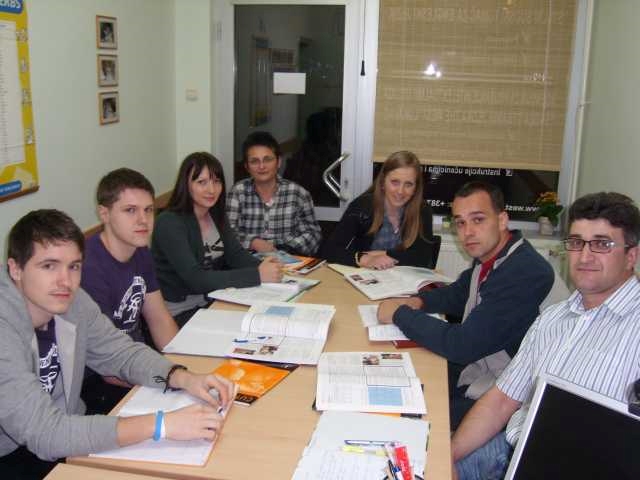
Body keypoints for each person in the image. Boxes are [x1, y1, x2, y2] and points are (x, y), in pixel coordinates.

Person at [0, 210, 234, 479]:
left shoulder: (73, 301)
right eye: (48, 266)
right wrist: (161, 425)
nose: (65, 281)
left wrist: (181, 377)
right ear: (15, 269)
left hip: (65, 438)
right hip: (12, 455)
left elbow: (121, 353)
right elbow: (46, 433)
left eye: (74, 266)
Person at [452, 191, 640, 480]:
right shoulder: (552, 319)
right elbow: (502, 400)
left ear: (631, 255)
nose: (585, 256)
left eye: (602, 244)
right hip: (509, 450)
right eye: (576, 242)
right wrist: (448, 456)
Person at [377, 181, 554, 428]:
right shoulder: (494, 255)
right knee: (396, 378)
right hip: (481, 366)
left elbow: (463, 345)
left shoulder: (523, 271)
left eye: (478, 220)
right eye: (460, 223)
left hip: (504, 393)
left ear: (502, 220)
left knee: (401, 413)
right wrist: (417, 301)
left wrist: (401, 314)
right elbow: (459, 293)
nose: (467, 232)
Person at [81, 168, 179, 414]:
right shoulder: (87, 266)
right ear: (104, 214)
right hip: (100, 382)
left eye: (148, 210)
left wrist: (182, 367)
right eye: (130, 210)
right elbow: (108, 363)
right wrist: (172, 381)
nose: (143, 220)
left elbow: (159, 318)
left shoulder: (140, 250)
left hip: (140, 366)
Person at [152, 152, 283, 327]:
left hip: (212, 300)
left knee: (268, 321)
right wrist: (257, 275)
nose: (211, 190)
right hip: (178, 313)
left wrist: (265, 267)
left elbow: (235, 255)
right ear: (186, 185)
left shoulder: (214, 213)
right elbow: (196, 279)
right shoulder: (169, 222)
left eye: (216, 181)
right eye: (202, 182)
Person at [320, 150, 436, 269]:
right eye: (395, 182)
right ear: (382, 182)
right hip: (365, 275)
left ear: (415, 188)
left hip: (403, 278)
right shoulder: (362, 207)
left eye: (408, 184)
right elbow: (329, 251)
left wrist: (383, 254)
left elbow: (423, 258)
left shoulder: (423, 210)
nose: (400, 191)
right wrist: (365, 259)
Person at [226, 131, 322, 256]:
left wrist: (283, 248)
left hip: (289, 261)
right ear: (247, 166)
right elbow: (228, 234)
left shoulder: (298, 193)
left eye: (267, 159)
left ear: (279, 162)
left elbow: (313, 235)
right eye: (254, 161)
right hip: (249, 262)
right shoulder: (237, 192)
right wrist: (253, 242)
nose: (262, 166)